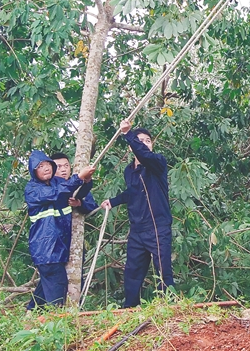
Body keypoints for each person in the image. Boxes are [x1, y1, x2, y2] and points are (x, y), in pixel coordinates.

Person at [100, 120, 174, 308]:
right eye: (140, 140)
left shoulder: (157, 162)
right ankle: (129, 309)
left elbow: (144, 155)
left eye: (147, 140)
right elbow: (132, 193)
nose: (143, 143)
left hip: (158, 226)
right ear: (133, 147)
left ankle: (169, 307)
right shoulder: (129, 171)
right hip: (137, 230)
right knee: (132, 271)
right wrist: (113, 201)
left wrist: (128, 134)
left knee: (163, 271)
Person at [24, 150, 95, 309]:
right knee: (58, 288)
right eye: (40, 166)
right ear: (34, 171)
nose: (46, 168)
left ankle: (31, 314)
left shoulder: (58, 184)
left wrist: (86, 180)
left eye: (47, 164)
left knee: (49, 284)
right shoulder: (34, 189)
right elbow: (58, 193)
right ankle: (57, 324)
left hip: (61, 248)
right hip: (47, 250)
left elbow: (79, 194)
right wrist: (79, 177)